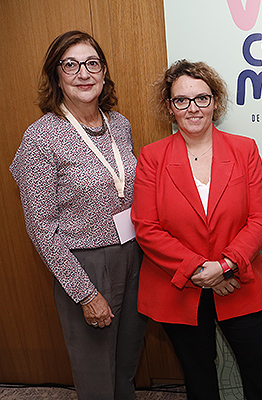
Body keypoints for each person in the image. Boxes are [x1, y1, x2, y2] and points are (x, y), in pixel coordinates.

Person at [131, 59, 262, 400]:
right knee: (199, 380)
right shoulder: (152, 157)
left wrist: (225, 265)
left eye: (202, 98)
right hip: (181, 288)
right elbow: (147, 228)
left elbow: (259, 219)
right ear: (170, 108)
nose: (193, 108)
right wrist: (202, 270)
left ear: (215, 101)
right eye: (181, 100)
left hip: (239, 284)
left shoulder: (244, 150)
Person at [10, 31, 147, 399]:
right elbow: (41, 229)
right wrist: (85, 294)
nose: (83, 73)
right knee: (97, 374)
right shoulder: (40, 138)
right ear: (56, 75)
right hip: (84, 264)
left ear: (104, 73)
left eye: (92, 64)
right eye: (71, 65)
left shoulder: (119, 124)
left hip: (134, 254)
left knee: (127, 363)